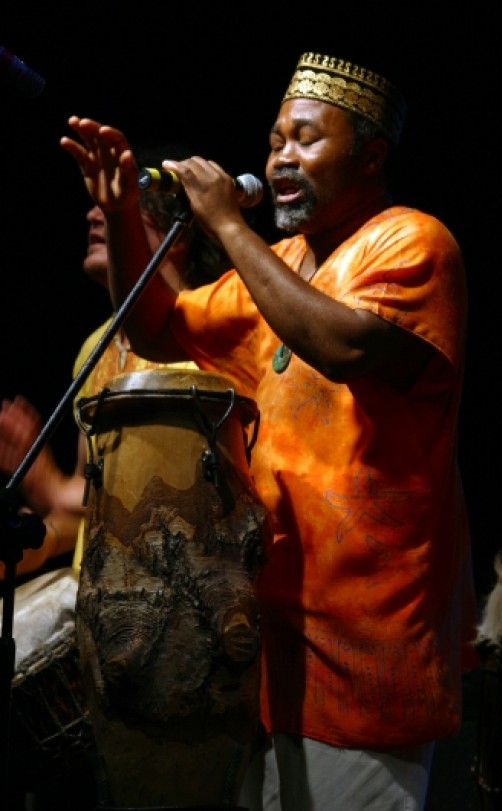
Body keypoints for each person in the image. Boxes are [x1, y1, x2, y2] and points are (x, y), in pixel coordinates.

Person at [60, 50, 479, 811]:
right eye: (276, 138)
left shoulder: (415, 243)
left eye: (307, 139)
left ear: (372, 157)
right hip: (266, 642)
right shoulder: (278, 263)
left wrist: (222, 220)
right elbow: (154, 325)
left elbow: (344, 345)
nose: (282, 156)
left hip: (369, 647)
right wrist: (124, 213)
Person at [0, 141, 231, 811]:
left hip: (177, 626)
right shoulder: (96, 346)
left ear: (178, 239)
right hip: (101, 614)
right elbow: (82, 511)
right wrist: (30, 538)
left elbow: (165, 508)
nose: (95, 218)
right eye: (95, 210)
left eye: (119, 212)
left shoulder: (209, 333)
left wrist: (42, 480)